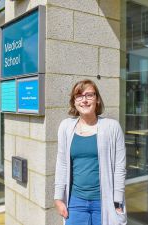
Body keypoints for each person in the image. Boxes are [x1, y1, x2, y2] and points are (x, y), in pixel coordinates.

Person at [54, 79, 127, 225]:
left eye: (89, 95)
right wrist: (58, 198)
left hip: (104, 201)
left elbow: (120, 167)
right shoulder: (66, 127)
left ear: (97, 100)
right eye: (79, 96)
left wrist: (117, 202)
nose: (84, 100)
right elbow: (61, 164)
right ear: (74, 102)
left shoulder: (112, 127)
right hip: (75, 201)